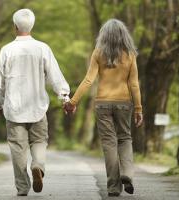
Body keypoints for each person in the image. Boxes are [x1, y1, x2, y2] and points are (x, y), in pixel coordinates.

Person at [0, 8, 70, 196]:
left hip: (14, 108)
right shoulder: (43, 48)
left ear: (15, 26)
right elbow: (55, 77)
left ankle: (22, 187)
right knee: (40, 141)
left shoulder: (6, 50)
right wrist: (64, 96)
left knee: (18, 148)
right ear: (32, 25)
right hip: (37, 107)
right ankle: (38, 166)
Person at [64, 19, 143, 197]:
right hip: (124, 103)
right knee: (124, 138)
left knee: (109, 143)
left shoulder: (98, 53)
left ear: (104, 35)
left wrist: (73, 102)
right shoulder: (130, 54)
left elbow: (88, 80)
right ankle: (127, 174)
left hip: (102, 104)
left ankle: (114, 187)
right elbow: (134, 84)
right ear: (124, 35)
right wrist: (138, 109)